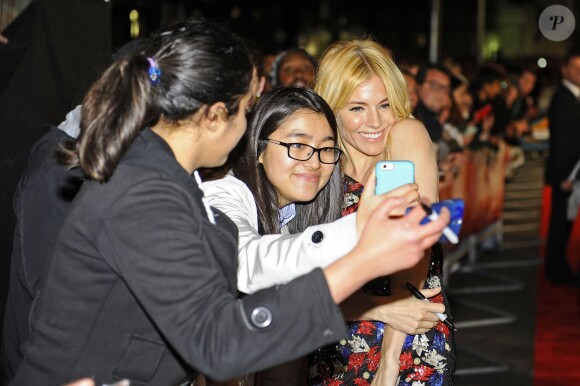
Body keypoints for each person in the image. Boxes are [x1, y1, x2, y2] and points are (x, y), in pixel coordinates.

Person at [11, 19, 449, 385]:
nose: (248, 127)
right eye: (245, 111)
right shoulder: (142, 191)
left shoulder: (163, 178)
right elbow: (223, 335)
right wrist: (362, 248)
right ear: (214, 114)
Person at [202, 86, 445, 385]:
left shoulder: (298, 213)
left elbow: (289, 324)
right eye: (298, 146)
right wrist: (360, 230)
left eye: (326, 148)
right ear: (259, 149)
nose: (315, 162)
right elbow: (246, 261)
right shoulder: (223, 193)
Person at [311, 39, 456, 385]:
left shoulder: (405, 135)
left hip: (408, 330)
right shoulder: (320, 162)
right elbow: (303, 282)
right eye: (356, 108)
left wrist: (389, 362)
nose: (375, 121)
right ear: (332, 108)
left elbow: (416, 247)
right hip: (329, 335)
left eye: (385, 104)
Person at [545, 50, 580, 285]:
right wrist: (565, 177)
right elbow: (561, 142)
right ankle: (557, 270)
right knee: (560, 223)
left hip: (570, 171)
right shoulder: (564, 98)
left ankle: (559, 267)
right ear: (565, 70)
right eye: (576, 68)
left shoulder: (572, 96)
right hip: (566, 173)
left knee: (564, 223)